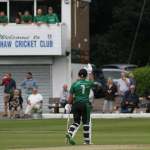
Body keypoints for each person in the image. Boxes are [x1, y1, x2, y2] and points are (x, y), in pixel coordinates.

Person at [65, 68, 94, 145]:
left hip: (76, 104)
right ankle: (87, 141)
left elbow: (71, 96)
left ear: (78, 75)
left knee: (76, 122)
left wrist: (68, 104)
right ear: (86, 75)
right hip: (85, 104)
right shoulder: (88, 83)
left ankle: (69, 133)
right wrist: (90, 72)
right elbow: (92, 82)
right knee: (86, 123)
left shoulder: (74, 84)